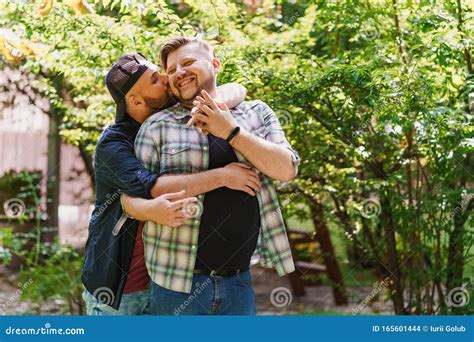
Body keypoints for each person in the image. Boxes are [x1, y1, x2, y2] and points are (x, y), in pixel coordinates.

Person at [122, 37, 299, 315]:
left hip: (239, 281)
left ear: (215, 65)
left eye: (188, 62)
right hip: (175, 284)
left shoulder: (256, 113)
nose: (179, 71)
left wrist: (231, 131)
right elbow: (132, 197)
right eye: (172, 69)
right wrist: (223, 176)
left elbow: (286, 170)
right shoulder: (157, 126)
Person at [81, 52, 251, 315]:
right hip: (121, 291)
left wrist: (214, 106)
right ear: (136, 100)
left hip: (167, 283)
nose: (167, 78)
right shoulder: (114, 143)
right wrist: (225, 176)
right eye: (155, 79)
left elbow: (236, 88)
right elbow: (150, 188)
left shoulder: (174, 119)